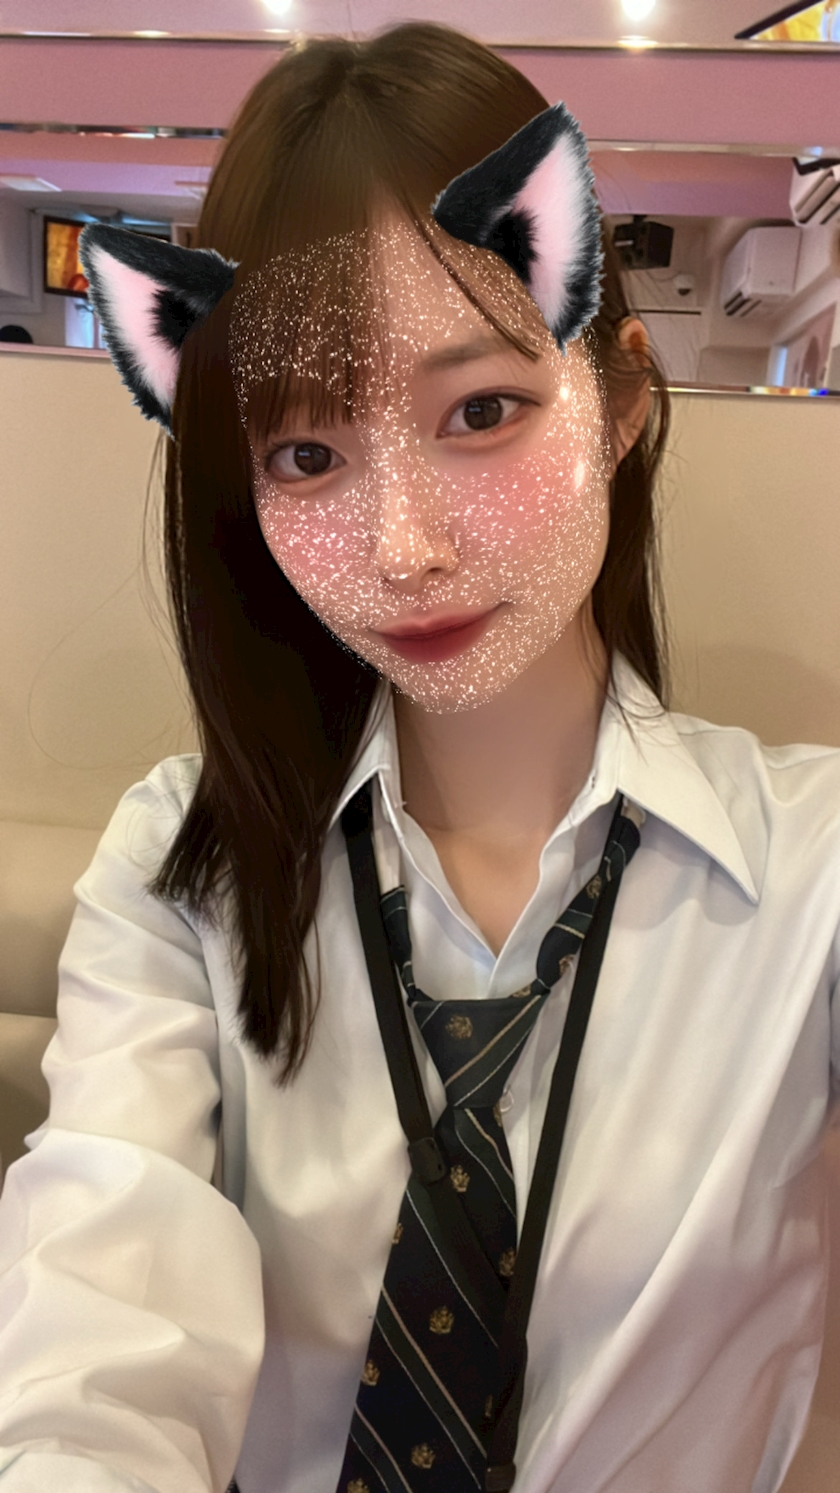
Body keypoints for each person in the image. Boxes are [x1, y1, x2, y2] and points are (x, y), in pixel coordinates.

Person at [0, 20, 838, 1493]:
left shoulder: (813, 874)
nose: (403, 548)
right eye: (307, 454)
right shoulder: (186, 865)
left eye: (483, 411)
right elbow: (101, 1327)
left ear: (623, 402)